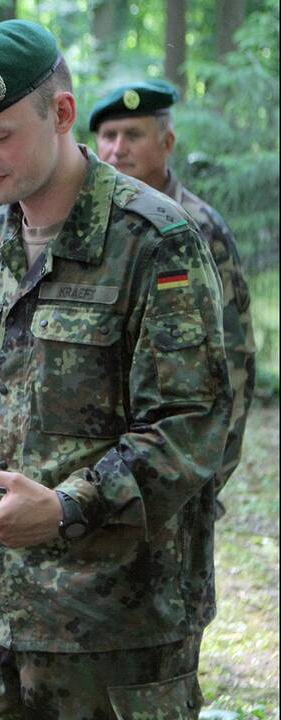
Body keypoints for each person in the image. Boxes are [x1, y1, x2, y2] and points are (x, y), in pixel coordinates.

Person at [0, 20, 232, 719]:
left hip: (121, 623)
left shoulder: (153, 240)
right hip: (9, 613)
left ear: (62, 114)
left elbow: (191, 426)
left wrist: (70, 505)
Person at [89, 80, 256, 500]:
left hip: (177, 467)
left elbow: (235, 358)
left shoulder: (200, 228)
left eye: (134, 135)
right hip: (100, 475)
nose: (117, 149)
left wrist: (209, 480)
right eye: (108, 136)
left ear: (167, 143)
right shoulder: (90, 228)